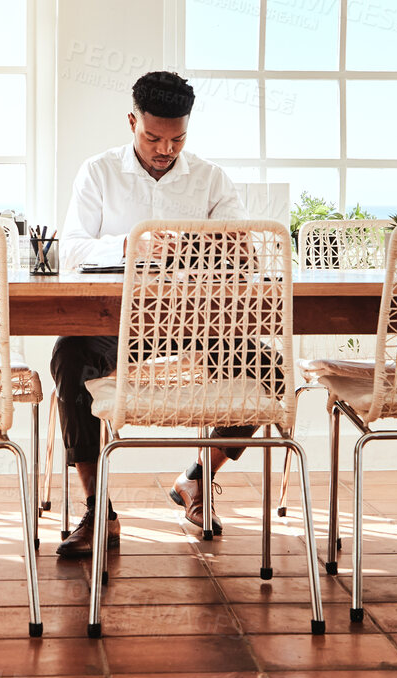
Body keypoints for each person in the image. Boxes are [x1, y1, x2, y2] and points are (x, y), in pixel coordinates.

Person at [51, 71, 258, 558]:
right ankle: (97, 510)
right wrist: (129, 243)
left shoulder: (210, 180)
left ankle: (196, 480)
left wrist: (225, 244)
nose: (166, 149)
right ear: (131, 122)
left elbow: (244, 251)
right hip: (115, 327)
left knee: (270, 373)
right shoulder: (98, 172)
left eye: (177, 139)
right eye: (153, 137)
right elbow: (70, 251)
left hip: (197, 325)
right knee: (69, 355)